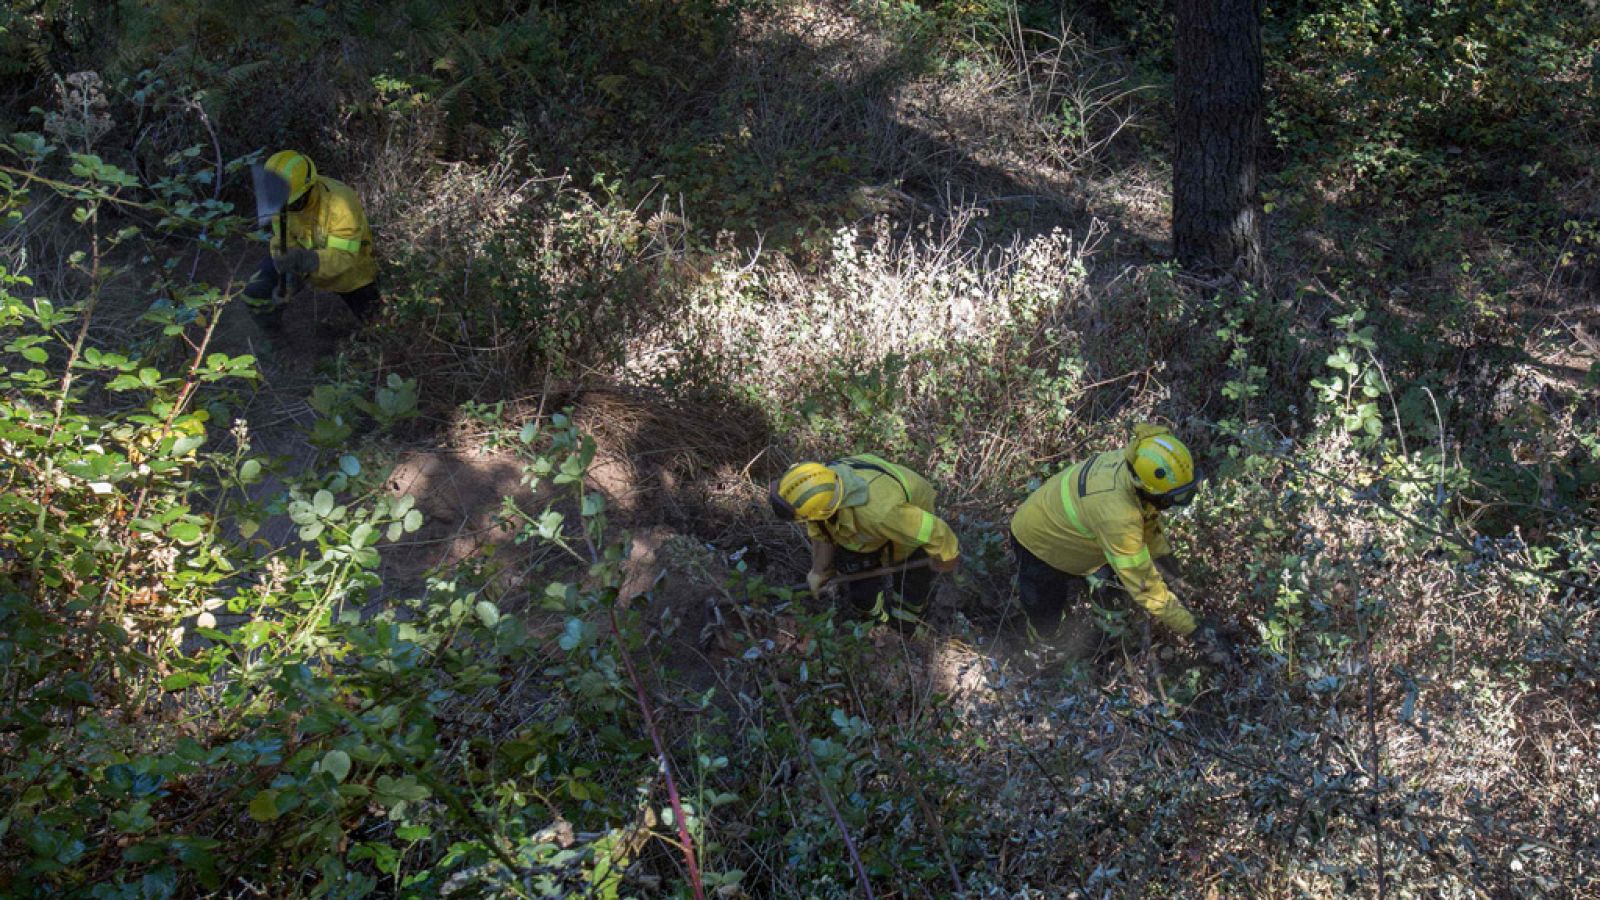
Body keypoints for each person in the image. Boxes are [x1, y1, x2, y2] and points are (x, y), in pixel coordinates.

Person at [1009, 423, 1232, 662]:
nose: (1179, 500)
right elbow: (1144, 587)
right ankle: (1043, 651)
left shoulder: (1134, 462)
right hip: (1038, 542)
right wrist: (1193, 629)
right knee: (1046, 612)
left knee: (1111, 596)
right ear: (1144, 488)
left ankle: (1104, 646)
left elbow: (1148, 522)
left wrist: (1170, 570)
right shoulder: (1118, 518)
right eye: (1175, 496)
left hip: (1078, 529)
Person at [769, 454, 960, 622]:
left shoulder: (883, 513)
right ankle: (876, 620)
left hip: (906, 521)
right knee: (862, 595)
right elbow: (821, 529)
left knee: (911, 588)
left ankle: (907, 625)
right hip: (867, 524)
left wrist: (946, 559)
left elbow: (937, 532)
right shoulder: (820, 487)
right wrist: (819, 571)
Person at [244, 150, 380, 329]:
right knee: (254, 292)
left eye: (291, 203)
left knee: (378, 325)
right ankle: (274, 339)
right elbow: (282, 241)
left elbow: (345, 256)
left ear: (308, 189)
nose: (286, 209)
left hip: (350, 274)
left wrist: (305, 261)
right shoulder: (282, 199)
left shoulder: (340, 201)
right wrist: (289, 278)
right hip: (303, 265)